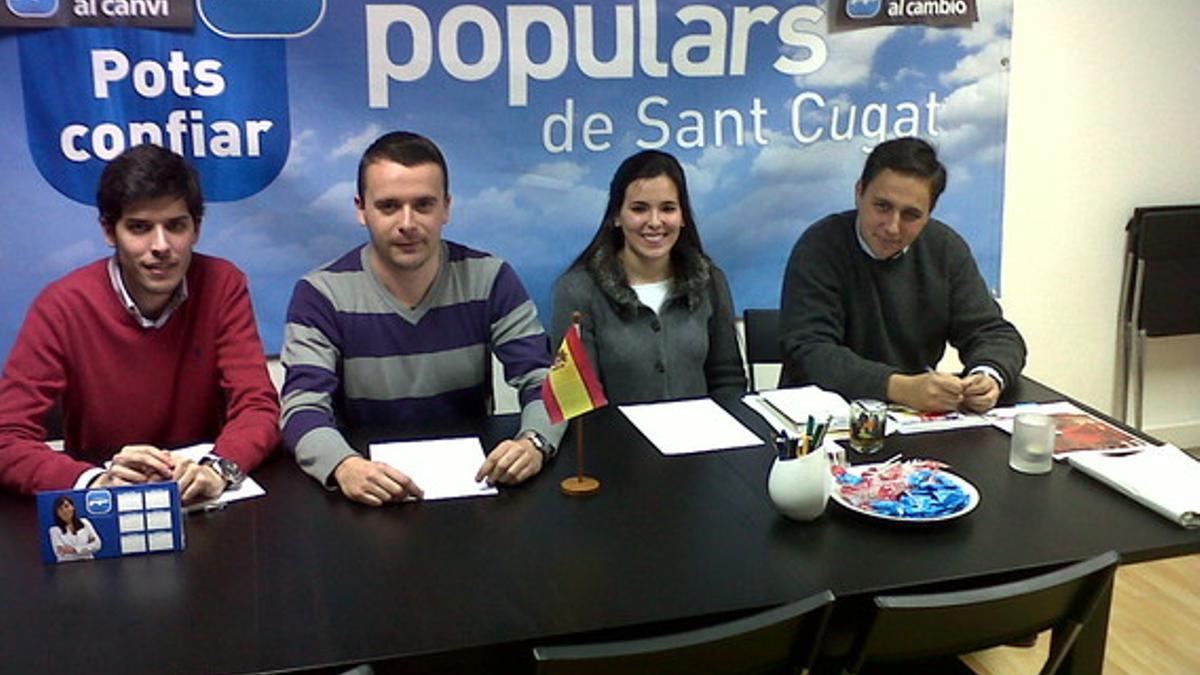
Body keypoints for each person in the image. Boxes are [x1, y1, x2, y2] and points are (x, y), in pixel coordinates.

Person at [280, 131, 563, 506]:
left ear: (446, 207)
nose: (408, 223)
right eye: (389, 206)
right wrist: (343, 466)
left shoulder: (490, 278)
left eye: (424, 205)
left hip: (470, 491)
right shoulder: (320, 294)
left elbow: (544, 381)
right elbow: (302, 408)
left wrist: (535, 442)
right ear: (361, 209)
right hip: (366, 493)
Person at [0, 144, 281, 504]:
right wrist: (94, 482)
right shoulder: (62, 305)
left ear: (196, 229)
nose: (161, 245)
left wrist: (218, 469)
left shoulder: (223, 283)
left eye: (176, 226)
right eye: (139, 227)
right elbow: (7, 435)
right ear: (109, 230)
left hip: (200, 500)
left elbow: (258, 406)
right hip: (107, 509)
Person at [779, 137, 1026, 413]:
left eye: (911, 215)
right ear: (859, 193)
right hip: (822, 421)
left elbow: (992, 332)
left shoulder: (944, 248)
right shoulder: (820, 245)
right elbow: (811, 352)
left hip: (912, 419)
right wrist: (899, 387)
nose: (893, 227)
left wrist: (988, 375)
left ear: (929, 214)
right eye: (882, 206)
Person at [551, 150, 745, 403]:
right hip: (613, 440)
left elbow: (727, 380)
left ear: (682, 216)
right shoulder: (577, 290)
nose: (655, 222)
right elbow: (577, 400)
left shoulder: (710, 281)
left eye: (668, 208)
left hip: (701, 439)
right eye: (639, 209)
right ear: (616, 216)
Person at [48, 495, 102, 562]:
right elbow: (61, 553)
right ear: (57, 513)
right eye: (60, 509)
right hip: (67, 567)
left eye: (66, 506)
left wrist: (74, 550)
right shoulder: (54, 530)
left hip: (88, 565)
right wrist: (87, 548)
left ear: (73, 507)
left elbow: (97, 545)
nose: (65, 511)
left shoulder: (85, 523)